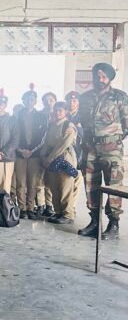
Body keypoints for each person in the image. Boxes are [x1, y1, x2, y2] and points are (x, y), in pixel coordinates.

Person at [78, 63, 128, 240]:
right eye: (97, 76)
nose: (100, 80)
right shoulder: (84, 98)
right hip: (90, 148)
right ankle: (94, 222)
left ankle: (113, 224)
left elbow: (126, 123)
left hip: (111, 149)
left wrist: (111, 140)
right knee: (91, 185)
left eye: (103, 77)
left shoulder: (120, 97)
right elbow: (81, 122)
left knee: (113, 185)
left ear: (109, 78)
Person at [41, 102, 79, 225]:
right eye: (56, 110)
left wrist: (49, 158)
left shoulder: (68, 126)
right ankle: (58, 212)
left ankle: (68, 214)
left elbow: (63, 145)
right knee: (54, 188)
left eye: (60, 111)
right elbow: (46, 143)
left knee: (65, 188)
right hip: (51, 160)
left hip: (64, 159)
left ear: (66, 112)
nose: (58, 113)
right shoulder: (52, 125)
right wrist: (43, 156)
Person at [13, 85, 47, 219]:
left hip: (35, 154)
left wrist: (32, 151)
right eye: (27, 99)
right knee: (20, 183)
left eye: (32, 99)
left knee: (32, 183)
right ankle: (22, 208)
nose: (29, 101)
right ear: (23, 101)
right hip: (19, 154)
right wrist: (20, 150)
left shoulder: (41, 117)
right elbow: (14, 135)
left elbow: (43, 136)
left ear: (35, 101)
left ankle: (30, 207)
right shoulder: (16, 116)